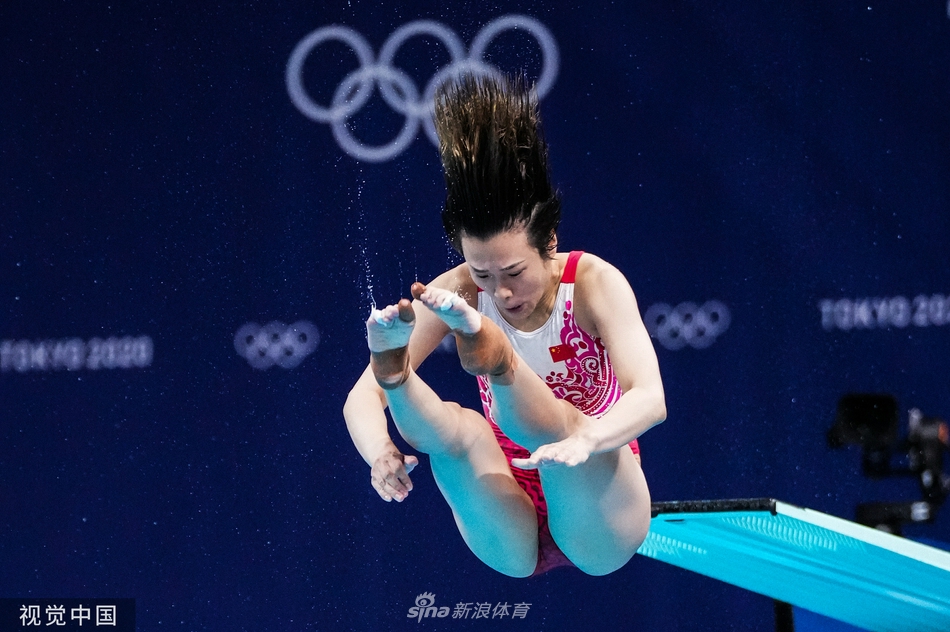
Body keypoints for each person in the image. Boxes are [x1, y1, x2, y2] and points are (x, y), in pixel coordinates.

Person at [343, 74, 666, 578]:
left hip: (597, 499)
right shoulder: (455, 291)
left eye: (514, 272)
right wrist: (380, 452)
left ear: (550, 242)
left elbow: (650, 397)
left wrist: (589, 440)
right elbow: (360, 399)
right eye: (483, 274)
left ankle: (500, 360)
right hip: (505, 507)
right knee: (459, 432)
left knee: (560, 424)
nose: (502, 292)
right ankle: (401, 374)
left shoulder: (595, 283)